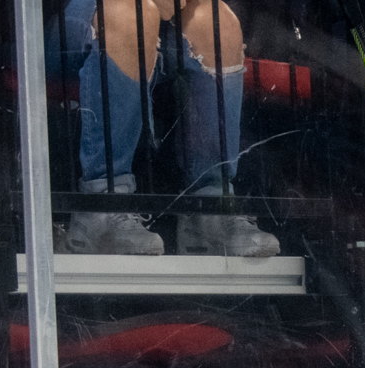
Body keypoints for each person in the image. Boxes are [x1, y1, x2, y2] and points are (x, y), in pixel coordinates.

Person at [49, 0, 277, 256]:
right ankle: (103, 204)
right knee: (131, 12)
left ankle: (209, 208)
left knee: (217, 22)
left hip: (157, 18)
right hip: (57, 17)